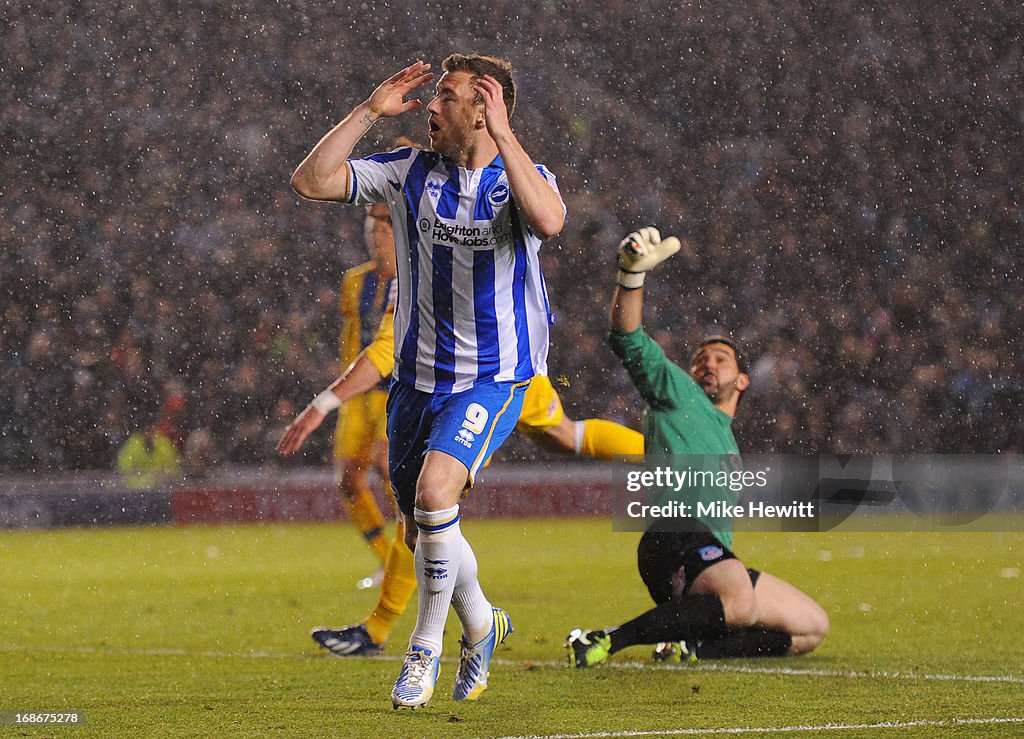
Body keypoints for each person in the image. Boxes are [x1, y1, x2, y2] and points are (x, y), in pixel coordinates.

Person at [290, 55, 566, 708]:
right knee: (423, 529)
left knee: (439, 492)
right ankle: (483, 622)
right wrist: (366, 112)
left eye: (448, 96)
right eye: (435, 94)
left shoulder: (520, 179)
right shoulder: (408, 172)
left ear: (483, 109)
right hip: (414, 383)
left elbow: (550, 220)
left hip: (493, 377)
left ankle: (424, 649)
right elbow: (310, 180)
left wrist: (504, 135)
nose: (432, 105)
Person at [277, 290, 644, 659]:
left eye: (380, 230)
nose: (375, 239)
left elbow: (387, 349)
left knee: (426, 507)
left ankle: (390, 632)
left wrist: (323, 403)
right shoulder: (420, 259)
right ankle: (680, 461)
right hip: (496, 369)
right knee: (566, 436)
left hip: (481, 384)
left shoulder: (423, 255)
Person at [566, 227, 828, 668]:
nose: (708, 363)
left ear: (742, 380)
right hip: (673, 536)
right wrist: (631, 278)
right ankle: (606, 638)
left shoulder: (726, 440)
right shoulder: (678, 394)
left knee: (810, 627)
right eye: (700, 359)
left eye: (721, 358)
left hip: (710, 554)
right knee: (741, 606)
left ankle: (692, 647)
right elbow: (628, 338)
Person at [331, 199, 398, 590]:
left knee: (391, 468)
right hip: (358, 393)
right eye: (372, 232)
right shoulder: (354, 281)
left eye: (384, 231)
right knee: (348, 481)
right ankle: (387, 561)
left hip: (394, 392)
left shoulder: (412, 277)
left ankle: (416, 554)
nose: (376, 239)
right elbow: (350, 333)